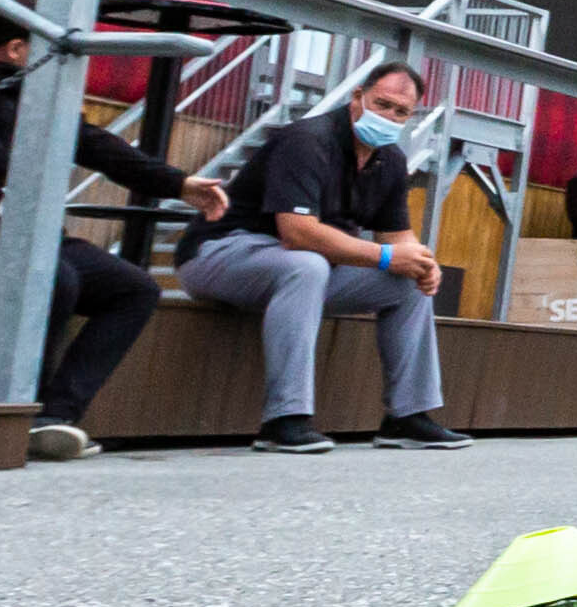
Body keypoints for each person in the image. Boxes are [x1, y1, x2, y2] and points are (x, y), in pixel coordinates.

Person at [0, 2, 226, 460]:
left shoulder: (34, 86)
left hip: (18, 231)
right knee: (54, 275)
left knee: (133, 288)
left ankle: (54, 417)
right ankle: (17, 411)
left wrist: (178, 184)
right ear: (18, 48)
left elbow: (96, 145)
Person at [173, 63, 472, 454]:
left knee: (408, 280)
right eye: (382, 104)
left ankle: (408, 417)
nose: (390, 116)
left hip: (300, 269)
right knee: (308, 264)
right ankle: (284, 420)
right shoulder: (308, 140)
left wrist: (422, 264)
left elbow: (398, 238)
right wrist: (385, 256)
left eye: (401, 112)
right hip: (221, 252)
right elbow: (297, 232)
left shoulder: (391, 160)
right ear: (357, 98)